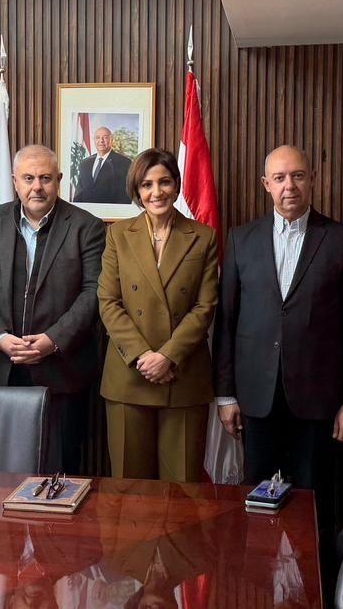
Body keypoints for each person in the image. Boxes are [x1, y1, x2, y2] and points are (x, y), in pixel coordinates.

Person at [213, 144, 343, 586]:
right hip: (255, 400)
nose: (289, 186)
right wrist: (225, 395)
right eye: (280, 178)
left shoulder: (342, 240)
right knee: (257, 502)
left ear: (312, 180)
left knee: (313, 504)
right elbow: (226, 323)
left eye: (297, 176)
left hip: (318, 403)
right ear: (266, 185)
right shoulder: (242, 239)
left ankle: (313, 589)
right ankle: (260, 587)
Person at [0, 144, 106, 473]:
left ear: (60, 179)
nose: (36, 187)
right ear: (14, 181)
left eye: (45, 178)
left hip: (61, 371)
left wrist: (52, 340)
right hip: (0, 367)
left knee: (60, 474)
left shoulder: (87, 227)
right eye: (28, 178)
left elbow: (94, 291)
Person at [97, 148, 218, 481]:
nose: (156, 192)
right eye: (147, 184)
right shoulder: (117, 234)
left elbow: (204, 307)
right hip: (128, 376)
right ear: (137, 191)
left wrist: (167, 357)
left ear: (177, 186)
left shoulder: (203, 236)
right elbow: (108, 301)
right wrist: (144, 357)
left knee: (184, 492)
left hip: (183, 376)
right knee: (129, 492)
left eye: (164, 182)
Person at [75, 126, 132, 204]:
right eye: (98, 138)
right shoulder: (85, 163)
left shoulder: (124, 163)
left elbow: (125, 195)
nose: (101, 141)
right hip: (85, 213)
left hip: (110, 213)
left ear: (111, 140)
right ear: (94, 140)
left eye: (105, 137)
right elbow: (78, 192)